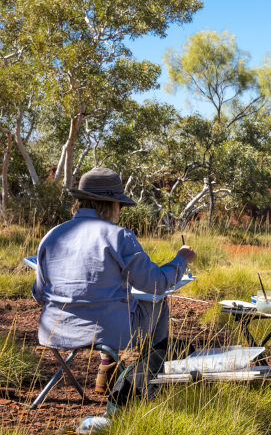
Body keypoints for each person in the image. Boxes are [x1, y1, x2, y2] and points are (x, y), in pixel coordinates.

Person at [32, 167, 195, 393]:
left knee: (114, 307)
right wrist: (180, 260)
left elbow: (39, 293)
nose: (120, 210)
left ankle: (107, 370)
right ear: (110, 204)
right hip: (108, 332)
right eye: (119, 205)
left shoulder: (53, 235)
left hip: (54, 330)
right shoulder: (119, 236)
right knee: (159, 304)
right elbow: (155, 284)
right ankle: (147, 384)